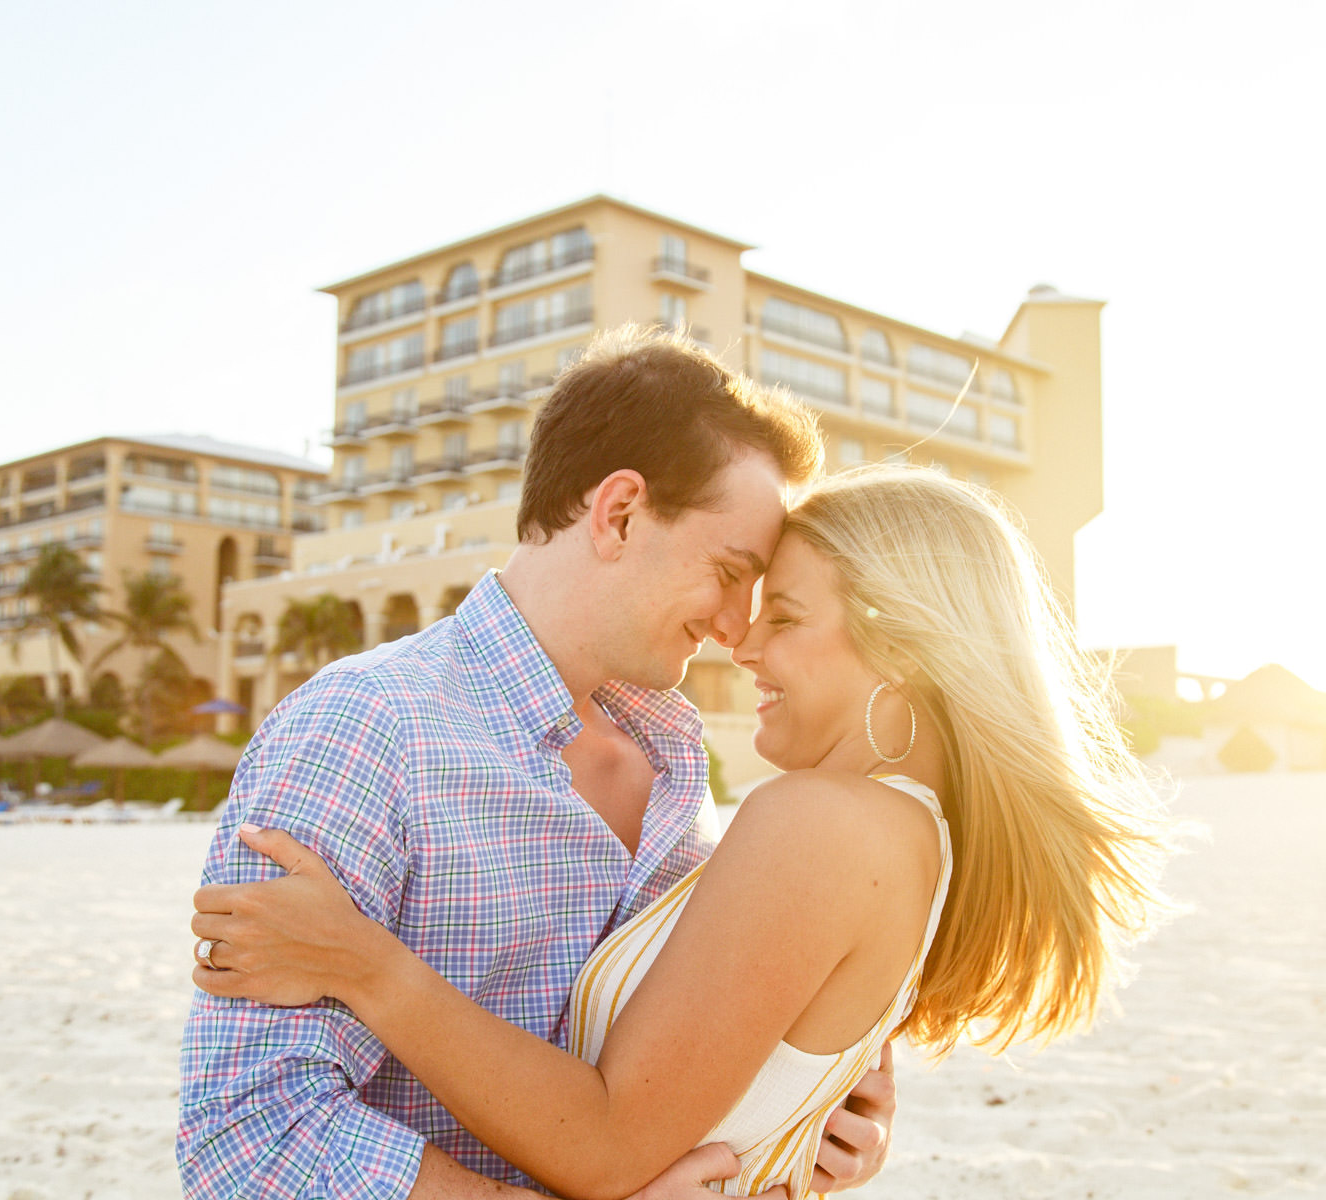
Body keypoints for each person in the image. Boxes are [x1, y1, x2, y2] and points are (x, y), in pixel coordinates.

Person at [191, 464, 1178, 1199]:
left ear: (905, 645)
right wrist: (807, 1125)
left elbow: (609, 1141)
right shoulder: (906, 835)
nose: (742, 641)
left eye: (783, 615)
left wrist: (368, 968)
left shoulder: (818, 824)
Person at [178, 326, 900, 1200]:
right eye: (728, 570)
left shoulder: (678, 765)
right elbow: (249, 1140)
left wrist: (812, 1106)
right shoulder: (363, 727)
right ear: (619, 512)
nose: (735, 627)